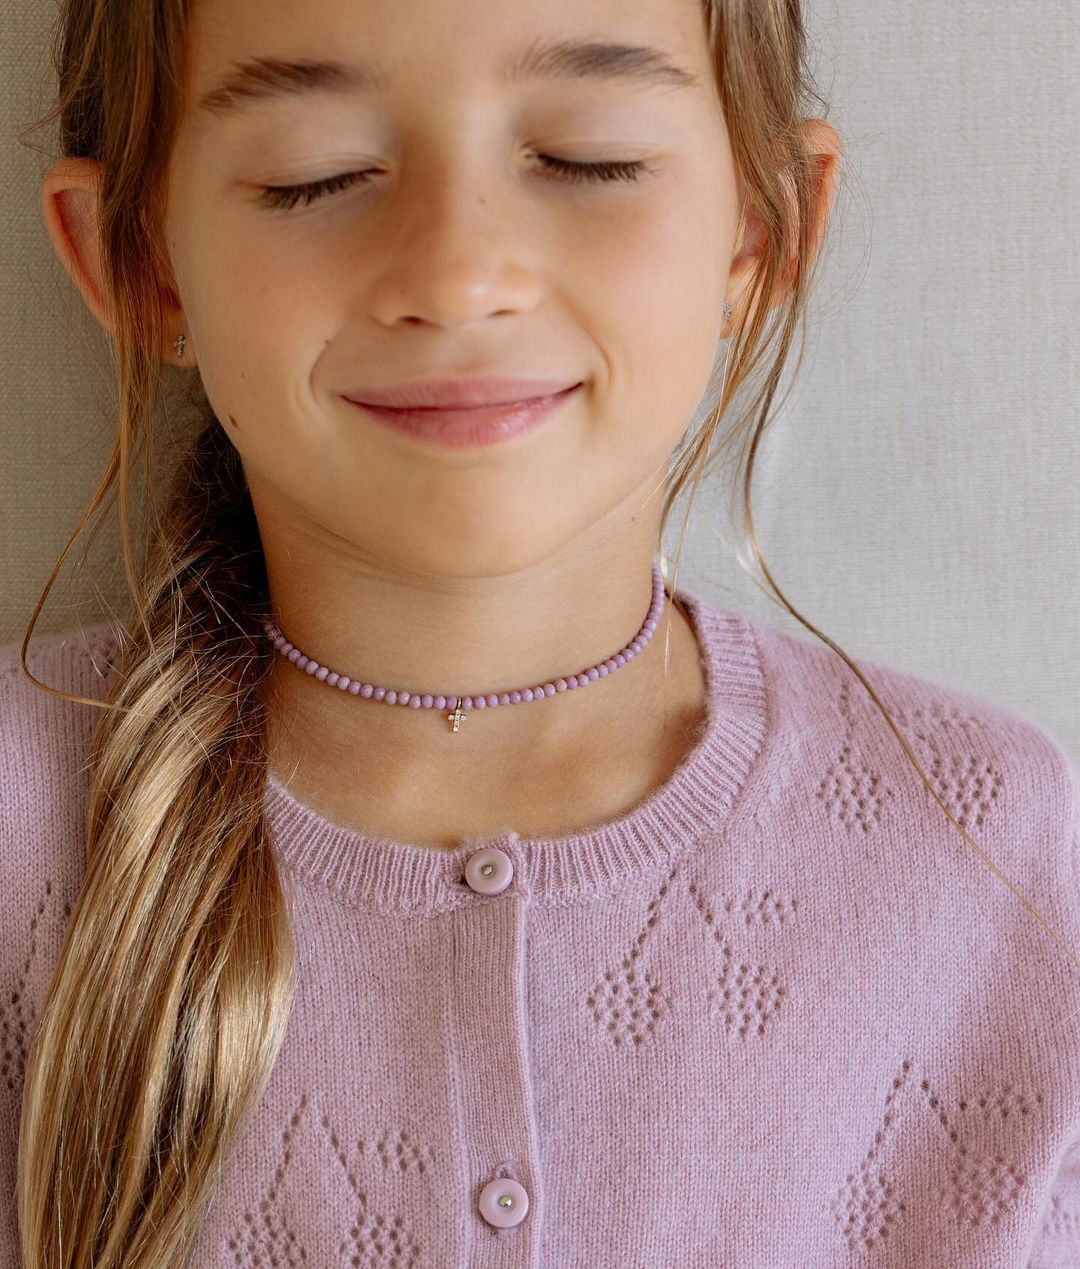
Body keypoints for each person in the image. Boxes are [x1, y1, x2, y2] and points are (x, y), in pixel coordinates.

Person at [2, 0, 1078, 1264]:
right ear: (140, 261)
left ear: (761, 227)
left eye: (587, 159)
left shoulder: (984, 839)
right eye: (317, 176)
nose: (459, 275)